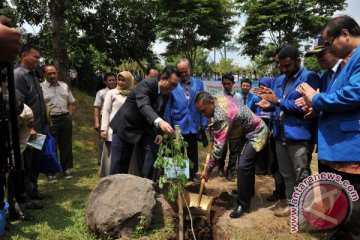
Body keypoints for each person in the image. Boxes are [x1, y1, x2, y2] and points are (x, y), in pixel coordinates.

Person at [297, 15, 360, 240]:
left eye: (329, 42)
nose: (328, 49)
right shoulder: (345, 64)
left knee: (353, 216)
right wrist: (319, 108)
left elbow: (355, 93)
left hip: (350, 150)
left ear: (344, 34)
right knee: (338, 207)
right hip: (335, 149)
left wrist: (316, 99)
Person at [256, 45, 320, 217]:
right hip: (280, 134)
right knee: (286, 173)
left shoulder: (310, 78)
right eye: (281, 66)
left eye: (287, 66)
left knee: (301, 173)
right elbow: (279, 105)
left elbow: (305, 107)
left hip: (299, 134)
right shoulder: (279, 80)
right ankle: (293, 205)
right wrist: (269, 106)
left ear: (298, 60)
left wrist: (277, 101)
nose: (284, 70)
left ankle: (306, 210)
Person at [196, 92, 269, 218]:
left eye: (203, 111)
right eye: (200, 111)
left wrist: (207, 171)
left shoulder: (221, 116)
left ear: (212, 102)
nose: (203, 114)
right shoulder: (218, 97)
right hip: (243, 134)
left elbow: (218, 151)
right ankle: (247, 190)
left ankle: (243, 205)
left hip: (257, 133)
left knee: (243, 166)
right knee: (246, 166)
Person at [109, 66, 178, 175]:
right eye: (172, 84)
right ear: (163, 78)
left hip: (145, 129)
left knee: (150, 160)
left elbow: (160, 111)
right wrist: (160, 122)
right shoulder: (146, 84)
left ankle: (147, 188)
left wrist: (159, 133)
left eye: (176, 86)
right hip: (126, 127)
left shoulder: (166, 93)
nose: (173, 88)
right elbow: (143, 106)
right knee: (119, 167)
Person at [15, 45, 49, 210]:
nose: (38, 60)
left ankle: (33, 190)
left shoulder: (34, 75)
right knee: (26, 162)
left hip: (39, 127)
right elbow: (20, 105)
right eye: (35, 57)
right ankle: (24, 197)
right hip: (28, 130)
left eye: (38, 57)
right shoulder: (19, 75)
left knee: (36, 160)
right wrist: (31, 128)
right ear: (24, 56)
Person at [164, 58, 208, 182]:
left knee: (193, 150)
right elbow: (168, 106)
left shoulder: (198, 83)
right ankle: (176, 175)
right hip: (178, 124)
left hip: (193, 123)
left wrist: (203, 123)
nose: (183, 74)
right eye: (180, 72)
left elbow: (203, 102)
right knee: (177, 150)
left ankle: (192, 174)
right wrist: (168, 124)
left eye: (185, 71)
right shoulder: (173, 84)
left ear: (190, 69)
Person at [41, 64, 75, 180]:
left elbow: (70, 102)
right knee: (50, 146)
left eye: (54, 73)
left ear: (57, 73)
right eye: (49, 73)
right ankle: (51, 172)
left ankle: (66, 169)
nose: (52, 75)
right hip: (50, 120)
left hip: (65, 118)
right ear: (44, 74)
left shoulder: (64, 86)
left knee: (66, 145)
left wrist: (69, 115)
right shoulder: (41, 88)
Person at [99, 71, 134, 177]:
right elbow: (106, 110)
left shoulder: (134, 93)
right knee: (113, 159)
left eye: (124, 80)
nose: (121, 82)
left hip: (128, 130)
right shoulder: (112, 93)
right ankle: (111, 180)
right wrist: (104, 128)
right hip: (113, 130)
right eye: (119, 79)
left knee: (125, 158)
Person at [216, 72, 241, 180]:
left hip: (235, 128)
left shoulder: (238, 97)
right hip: (222, 128)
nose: (226, 86)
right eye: (224, 84)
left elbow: (240, 112)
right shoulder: (218, 96)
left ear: (233, 84)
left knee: (234, 151)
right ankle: (220, 168)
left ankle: (231, 171)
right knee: (222, 150)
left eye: (229, 84)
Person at [93, 73, 117, 165]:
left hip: (116, 119)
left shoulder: (119, 91)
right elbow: (97, 108)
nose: (112, 82)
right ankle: (101, 163)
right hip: (104, 119)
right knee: (103, 141)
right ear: (105, 82)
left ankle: (113, 160)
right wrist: (96, 122)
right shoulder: (101, 93)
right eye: (110, 80)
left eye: (113, 80)